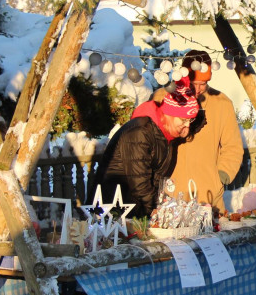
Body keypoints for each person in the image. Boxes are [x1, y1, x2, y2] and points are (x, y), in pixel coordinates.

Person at [89, 82, 200, 218]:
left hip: (134, 210)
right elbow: (139, 182)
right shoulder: (140, 132)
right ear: (169, 114)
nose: (187, 125)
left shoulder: (166, 134)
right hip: (113, 211)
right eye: (183, 120)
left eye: (190, 120)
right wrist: (155, 212)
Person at [157, 51, 244, 212]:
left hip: (209, 194)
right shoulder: (163, 97)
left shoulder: (222, 103)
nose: (197, 89)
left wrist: (220, 176)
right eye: (193, 83)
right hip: (171, 193)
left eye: (203, 84)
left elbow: (233, 147)